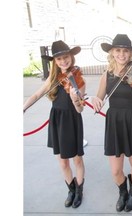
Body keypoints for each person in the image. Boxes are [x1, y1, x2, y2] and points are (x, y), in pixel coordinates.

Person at [23, 40, 86, 208]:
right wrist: (23, 108)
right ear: (54, 62)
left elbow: (80, 110)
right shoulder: (53, 79)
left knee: (77, 161)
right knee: (63, 162)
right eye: (59, 60)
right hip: (57, 120)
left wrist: (75, 99)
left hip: (72, 120)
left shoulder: (78, 79)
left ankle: (79, 190)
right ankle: (71, 189)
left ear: (71, 57)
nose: (63, 62)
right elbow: (36, 95)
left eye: (66, 58)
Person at [92, 34, 132, 212]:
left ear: (130, 53)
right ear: (112, 52)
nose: (121, 54)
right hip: (114, 122)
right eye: (118, 50)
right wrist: (95, 100)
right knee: (116, 170)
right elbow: (99, 98)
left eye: (125, 51)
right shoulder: (106, 75)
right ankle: (122, 192)